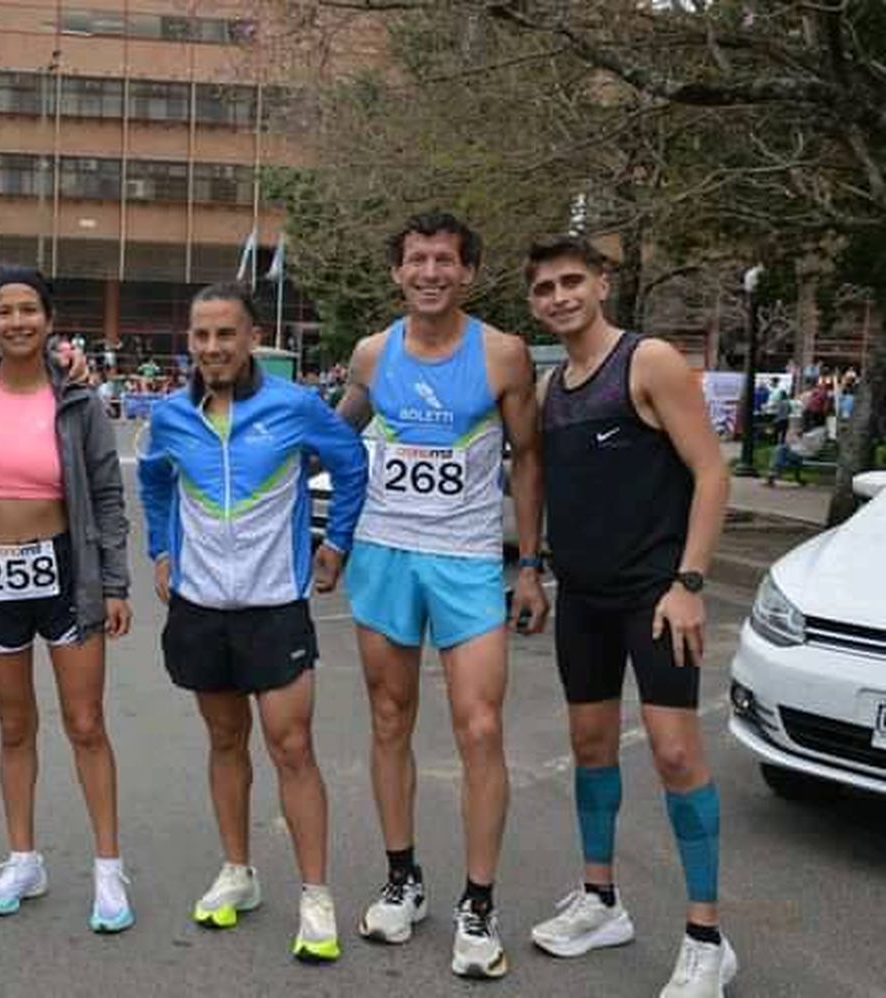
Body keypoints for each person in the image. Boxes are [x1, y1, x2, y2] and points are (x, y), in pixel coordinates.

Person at [333, 211, 547, 980]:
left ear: (468, 273)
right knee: (390, 718)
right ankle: (403, 880)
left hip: (465, 561)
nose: (430, 273)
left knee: (480, 727)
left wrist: (530, 564)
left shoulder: (503, 354)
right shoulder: (370, 353)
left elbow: (527, 461)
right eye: (417, 260)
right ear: (398, 272)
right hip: (385, 557)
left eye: (445, 261)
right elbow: (334, 437)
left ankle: (478, 904)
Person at [521, 236, 735, 997]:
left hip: (655, 597)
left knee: (677, 754)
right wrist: (532, 568)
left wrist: (690, 581)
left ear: (602, 282)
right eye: (544, 288)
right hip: (584, 597)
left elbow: (712, 472)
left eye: (572, 281)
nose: (559, 297)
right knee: (590, 746)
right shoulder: (553, 388)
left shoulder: (649, 363)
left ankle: (707, 936)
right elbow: (544, 483)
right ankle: (602, 898)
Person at [138, 282, 367, 963]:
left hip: (275, 604)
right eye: (202, 335)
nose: (213, 347)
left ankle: (316, 895)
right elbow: (153, 480)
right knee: (225, 739)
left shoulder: (296, 407)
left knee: (291, 746)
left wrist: (337, 544)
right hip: (201, 605)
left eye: (226, 334)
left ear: (252, 338)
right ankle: (238, 871)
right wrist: (160, 546)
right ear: (190, 341)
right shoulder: (172, 416)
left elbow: (352, 465)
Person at [0, 266, 135, 932]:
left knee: (86, 724)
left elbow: (105, 496)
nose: (17, 322)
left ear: (49, 318)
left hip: (68, 574)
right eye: (4, 311)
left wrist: (117, 583)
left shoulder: (77, 401)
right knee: (14, 727)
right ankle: (23, 858)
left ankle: (108, 869)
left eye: (29, 311)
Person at [766, 422, 829, 486]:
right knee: (779, 449)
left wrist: (801, 436)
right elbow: (792, 440)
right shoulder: (808, 430)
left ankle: (774, 474)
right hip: (795, 451)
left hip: (803, 453)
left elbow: (814, 446)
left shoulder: (821, 431)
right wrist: (796, 437)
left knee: (779, 453)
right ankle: (776, 472)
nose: (809, 420)